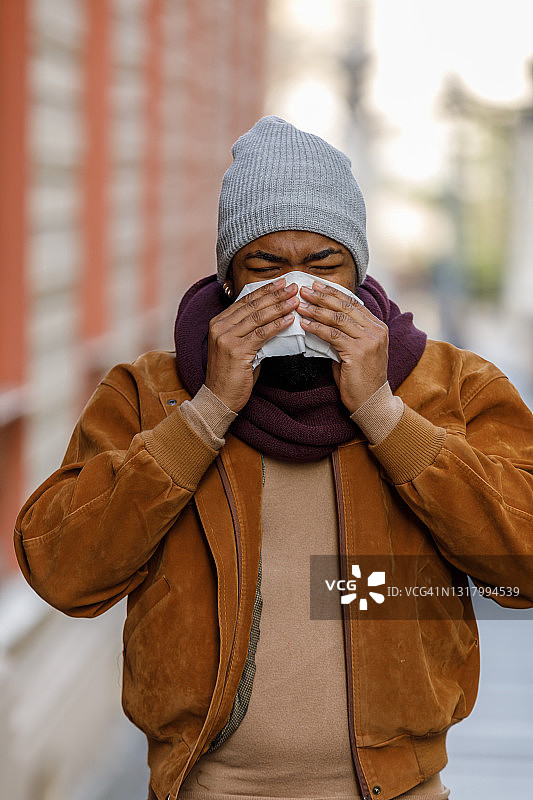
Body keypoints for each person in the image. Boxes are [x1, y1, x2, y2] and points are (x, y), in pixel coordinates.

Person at [14, 116, 533, 800]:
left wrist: (382, 412)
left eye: (323, 266)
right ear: (228, 278)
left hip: (398, 789)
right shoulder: (149, 393)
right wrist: (204, 413)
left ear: (359, 269)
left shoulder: (452, 386)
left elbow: (521, 564)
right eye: (264, 267)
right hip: (208, 789)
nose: (295, 292)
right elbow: (63, 573)